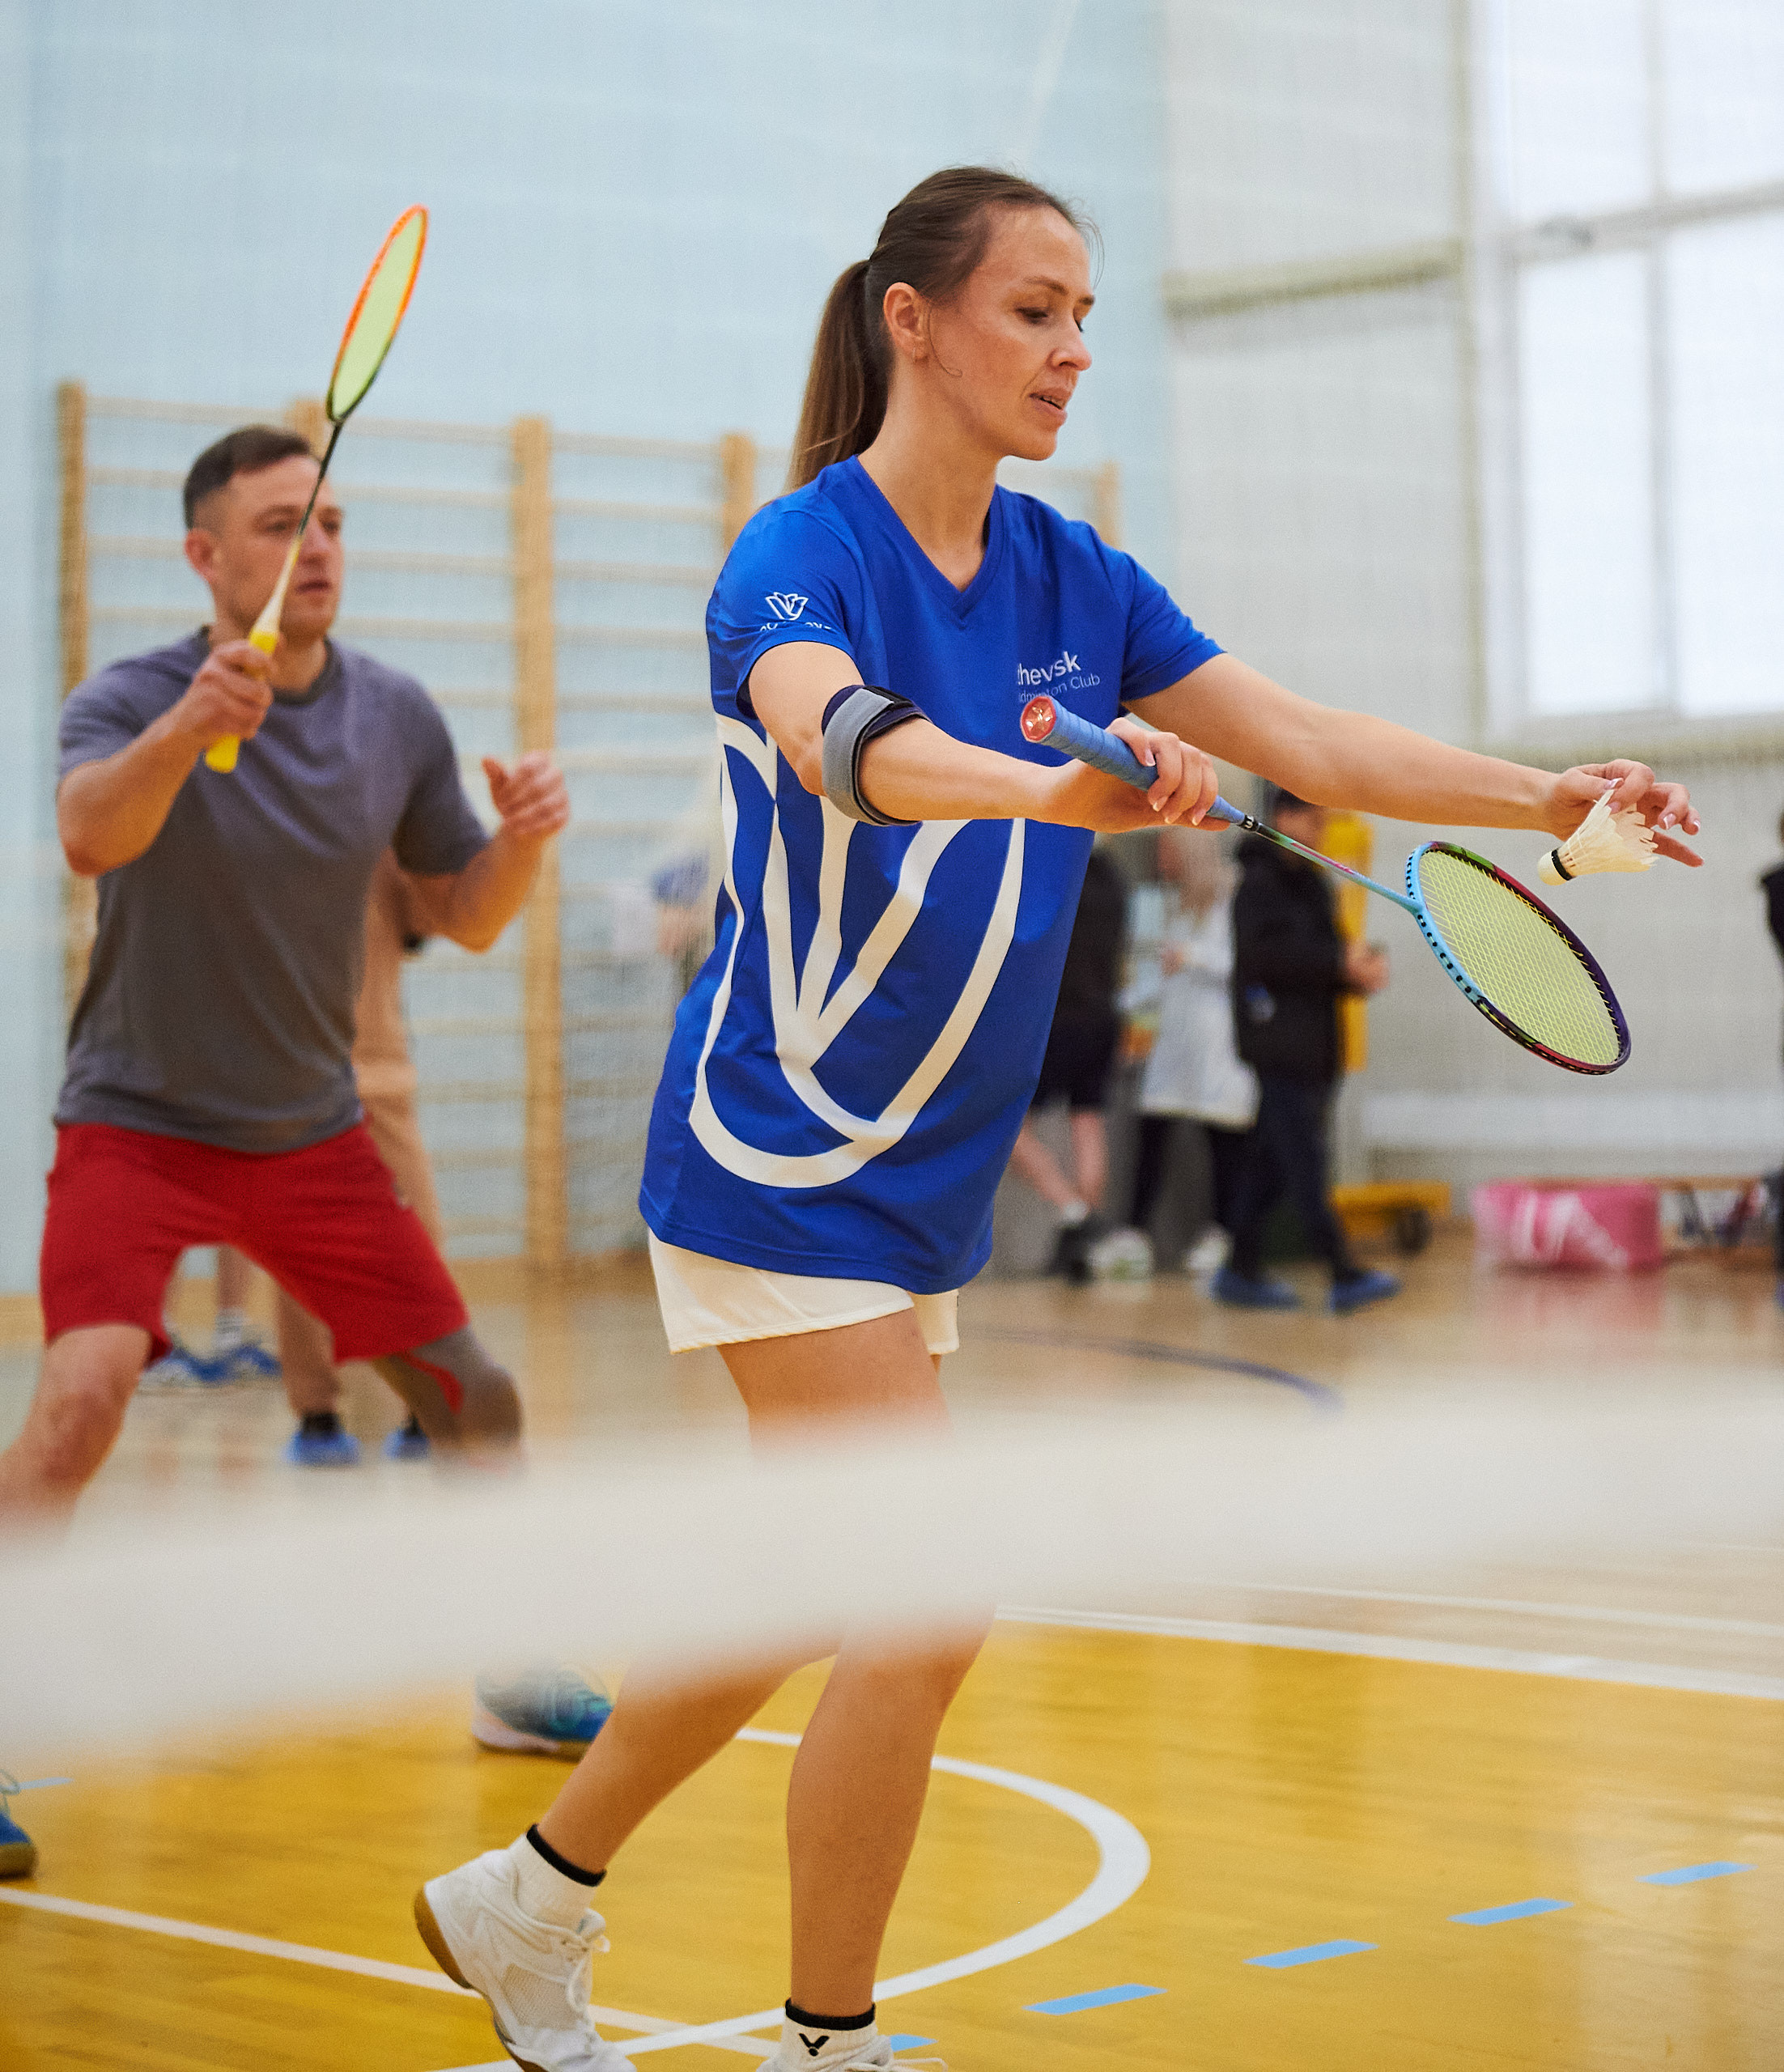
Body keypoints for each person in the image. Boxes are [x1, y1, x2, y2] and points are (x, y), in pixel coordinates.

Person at [412, 167, 1699, 2072]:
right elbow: (845, 741)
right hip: (779, 1138)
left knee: (808, 1581)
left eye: (1081, 311)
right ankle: (825, 2035)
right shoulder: (797, 550)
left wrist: (1548, 796)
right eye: (1030, 308)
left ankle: (527, 1897)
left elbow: (1322, 750)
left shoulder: (1072, 576)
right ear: (908, 321)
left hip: (918, 1165)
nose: (1070, 347)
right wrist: (1052, 789)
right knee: (924, 1596)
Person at [0, 422, 571, 1522]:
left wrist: (522, 843)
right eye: (280, 527)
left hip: (310, 1134)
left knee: (478, 1399)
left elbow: (465, 913)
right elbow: (88, 837)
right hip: (135, 1126)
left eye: (332, 525)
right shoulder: (127, 700)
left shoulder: (392, 713)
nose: (318, 550)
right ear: (205, 560)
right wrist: (187, 731)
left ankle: (514, 1678)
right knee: (81, 1401)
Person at [278, 848, 444, 1467]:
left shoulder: (384, 843)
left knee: (418, 1245)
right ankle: (316, 1412)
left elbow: (426, 926)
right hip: (295, 1085)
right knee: (298, 1255)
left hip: (377, 1079)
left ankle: (423, 1407)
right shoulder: (268, 840)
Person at [1217, 789, 1395, 1312]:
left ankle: (1238, 1269)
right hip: (1277, 1046)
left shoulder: (1315, 883)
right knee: (1305, 1162)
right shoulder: (1256, 886)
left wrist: (1356, 973)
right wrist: (1336, 964)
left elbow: (1327, 956)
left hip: (1318, 1044)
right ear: (1283, 819)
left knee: (1270, 1164)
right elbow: (1266, 958)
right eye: (1311, 822)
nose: (1318, 833)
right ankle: (1342, 1271)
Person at [1127, 825, 1258, 1270]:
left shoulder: (1229, 897)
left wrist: (1191, 958)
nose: (1161, 856)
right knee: (1155, 1128)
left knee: (1222, 1139)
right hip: (1175, 1040)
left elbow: (1241, 965)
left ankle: (1225, 1236)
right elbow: (1157, 978)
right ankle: (1134, 1234)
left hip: (1217, 1041)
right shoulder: (1177, 903)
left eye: (1167, 845)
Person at [1006, 843, 1128, 1280]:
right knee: (1088, 1122)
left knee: (1012, 1132)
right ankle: (1079, 1235)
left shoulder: (1051, 871)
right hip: (1103, 1016)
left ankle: (1073, 1209)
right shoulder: (1112, 879)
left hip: (1055, 1016)